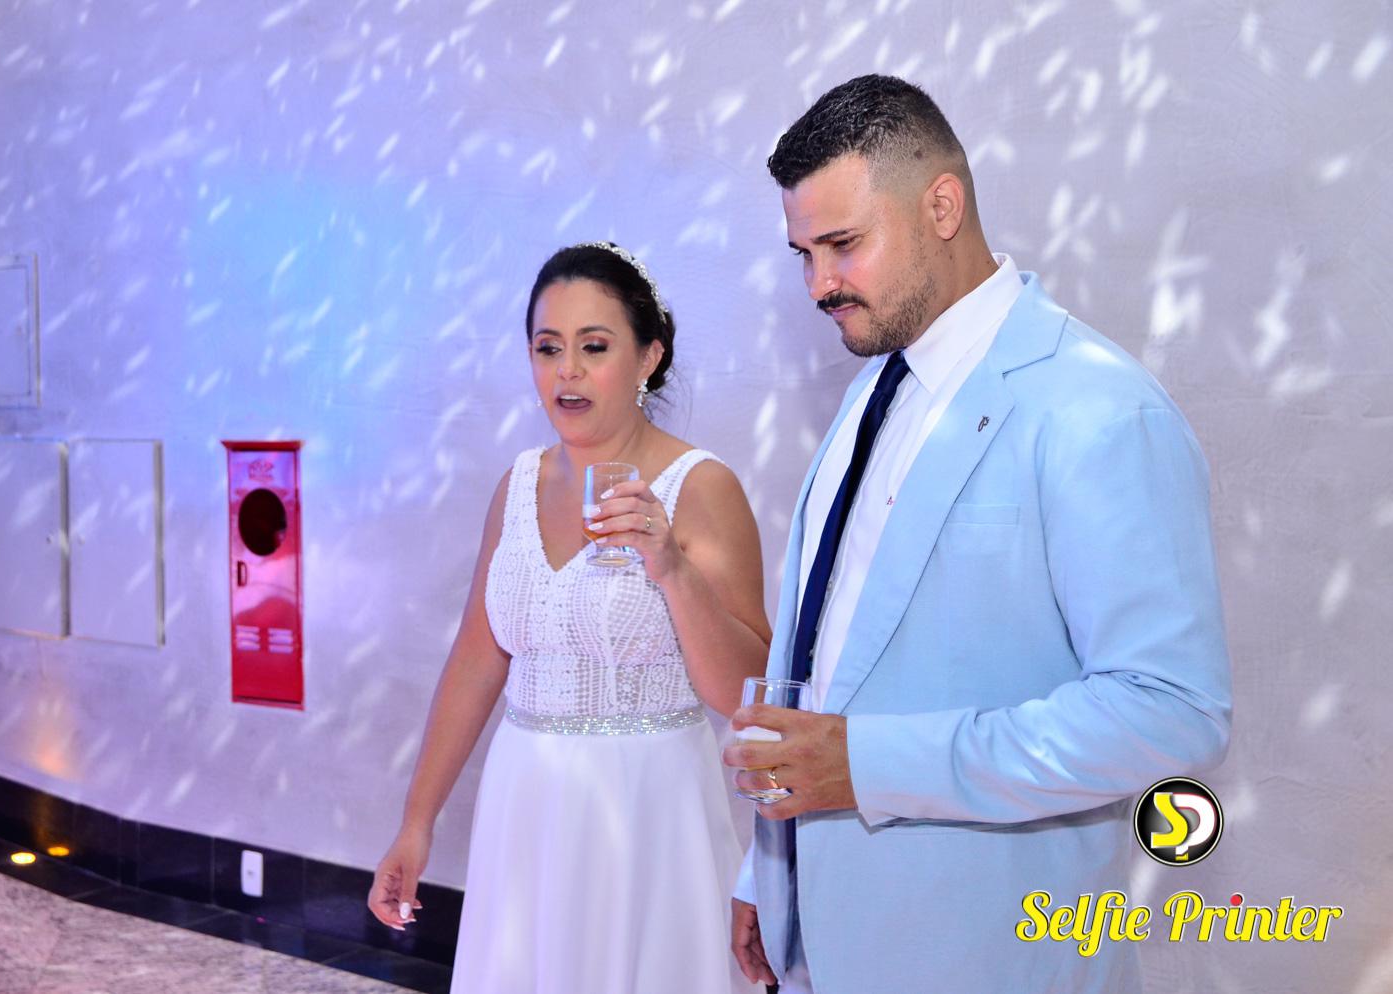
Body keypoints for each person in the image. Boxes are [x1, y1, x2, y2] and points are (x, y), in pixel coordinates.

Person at [723, 75, 1232, 993]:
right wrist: (772, 872)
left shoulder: (1098, 408)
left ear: (942, 206)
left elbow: (1171, 711)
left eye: (843, 245)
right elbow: (830, 661)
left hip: (993, 952)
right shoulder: (871, 390)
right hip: (828, 942)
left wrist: (870, 766)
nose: (818, 284)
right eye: (803, 253)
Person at [368, 241, 770, 993]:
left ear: (648, 356)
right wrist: (417, 822)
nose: (568, 372)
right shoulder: (516, 485)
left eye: (595, 347)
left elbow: (748, 691)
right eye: (548, 348)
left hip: (648, 812)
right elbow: (476, 661)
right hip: (525, 805)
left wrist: (671, 567)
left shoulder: (701, 487)